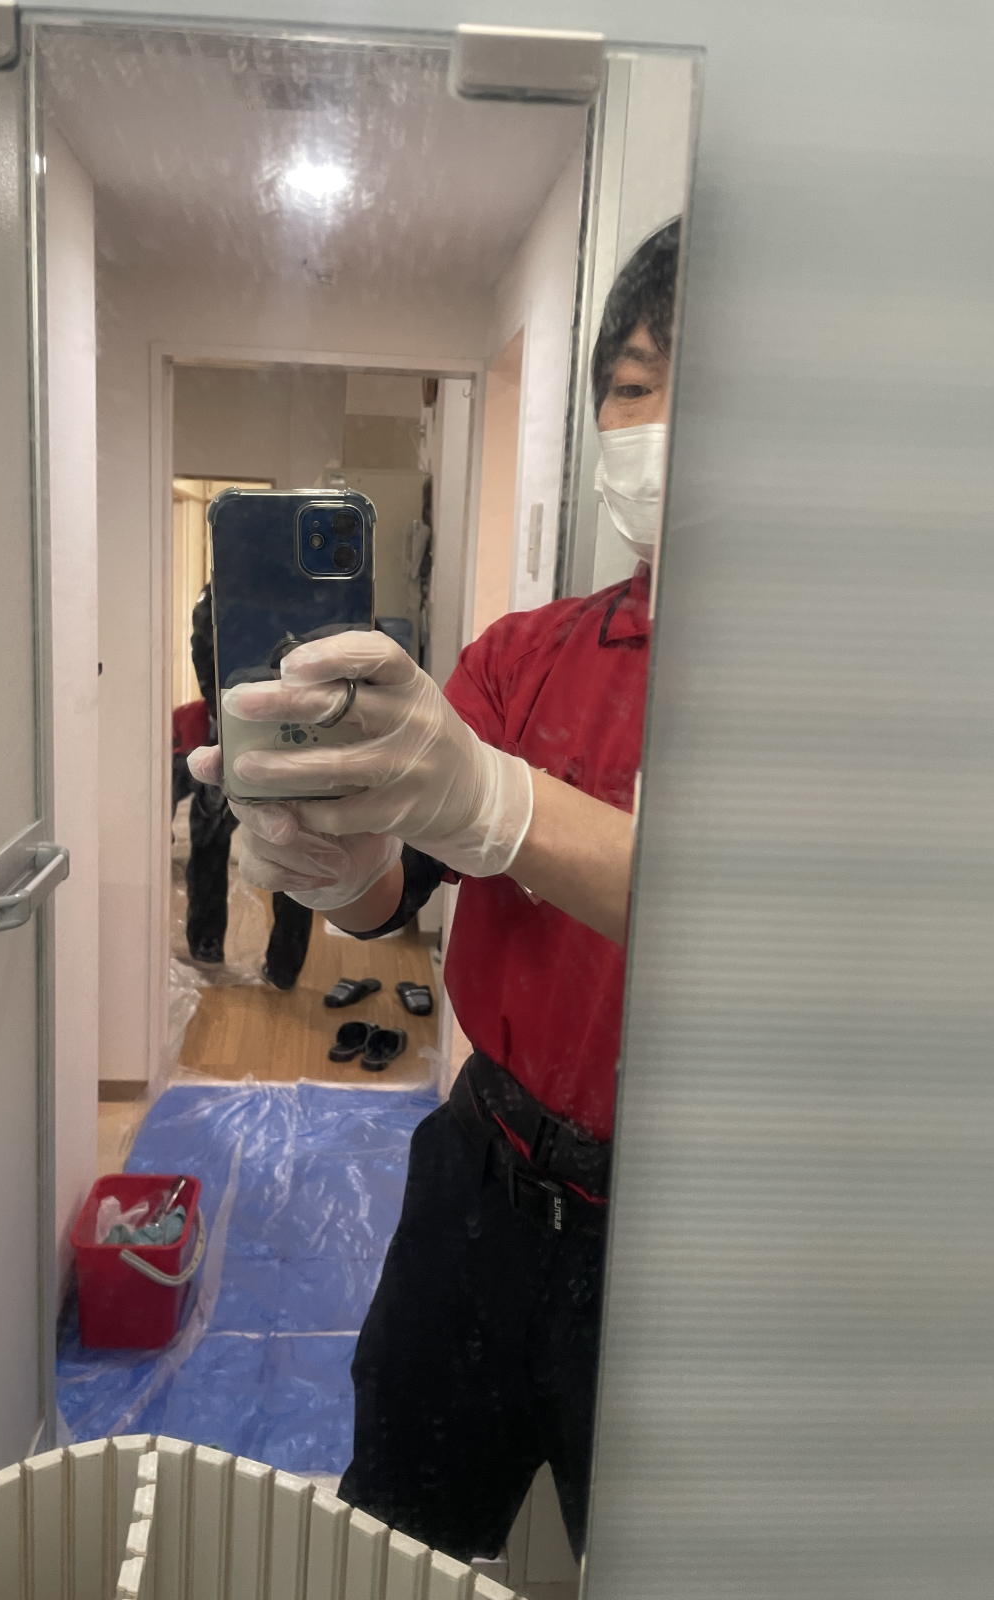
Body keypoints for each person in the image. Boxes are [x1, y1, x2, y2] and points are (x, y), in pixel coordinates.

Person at [190, 220, 679, 1560]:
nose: (659, 424)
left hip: (689, 1243)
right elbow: (398, 891)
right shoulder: (528, 656)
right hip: (482, 1176)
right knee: (392, 1539)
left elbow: (755, 924)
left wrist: (502, 804)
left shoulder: (853, 702)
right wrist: (342, 870)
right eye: (635, 386)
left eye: (704, 388)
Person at [179, 584, 314, 988]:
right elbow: (203, 653)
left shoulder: (229, 590)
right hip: (256, 733)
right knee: (274, 845)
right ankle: (269, 963)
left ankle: (264, 961)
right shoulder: (223, 591)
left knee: (288, 847)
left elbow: (203, 653)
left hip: (275, 732)